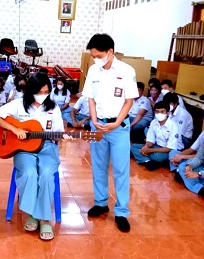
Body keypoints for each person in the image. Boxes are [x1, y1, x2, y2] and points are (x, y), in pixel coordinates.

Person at [0, 72, 72, 241]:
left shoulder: (54, 108)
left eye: (46, 92)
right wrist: (15, 129)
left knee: (45, 174)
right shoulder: (18, 104)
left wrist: (61, 136)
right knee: (29, 173)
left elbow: (58, 132)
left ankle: (43, 219)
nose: (43, 96)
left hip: (47, 147)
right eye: (40, 92)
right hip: (23, 150)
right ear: (31, 90)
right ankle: (34, 214)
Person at [82, 33, 138, 232]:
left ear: (110, 52)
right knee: (98, 166)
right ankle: (101, 203)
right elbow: (90, 98)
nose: (95, 59)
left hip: (118, 129)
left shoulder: (126, 70)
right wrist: (94, 119)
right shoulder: (94, 71)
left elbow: (129, 101)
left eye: (98, 55)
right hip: (97, 127)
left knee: (121, 170)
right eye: (93, 56)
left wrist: (116, 123)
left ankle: (122, 212)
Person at [169, 108, 204, 173]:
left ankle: (180, 171)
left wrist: (182, 156)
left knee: (188, 163)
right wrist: (177, 157)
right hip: (197, 158)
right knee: (173, 153)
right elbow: (191, 149)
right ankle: (177, 170)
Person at [130, 101, 178, 171]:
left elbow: (170, 148)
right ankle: (147, 162)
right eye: (157, 112)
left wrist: (150, 150)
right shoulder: (154, 122)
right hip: (155, 146)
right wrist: (146, 147)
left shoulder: (173, 126)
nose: (159, 114)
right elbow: (150, 140)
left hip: (166, 151)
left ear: (167, 113)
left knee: (157, 157)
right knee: (134, 147)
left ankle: (146, 159)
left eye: (162, 112)